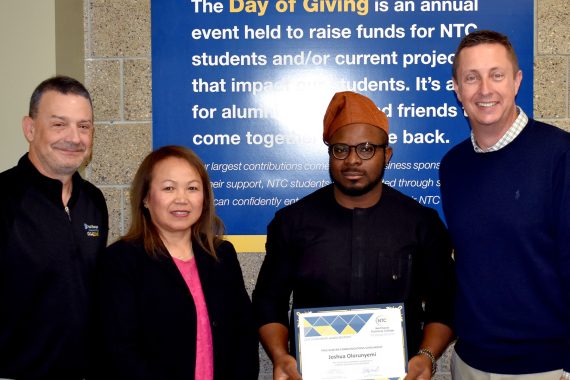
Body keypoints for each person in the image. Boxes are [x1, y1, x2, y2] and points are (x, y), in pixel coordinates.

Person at [253, 91, 456, 380]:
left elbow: (445, 304)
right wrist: (280, 356)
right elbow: (268, 302)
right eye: (340, 149)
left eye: (366, 149)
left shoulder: (420, 223)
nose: (352, 160)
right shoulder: (292, 222)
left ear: (387, 154)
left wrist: (426, 357)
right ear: (329, 154)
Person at [440, 30, 570, 379]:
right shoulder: (452, 165)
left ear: (516, 81)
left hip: (547, 368)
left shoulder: (561, 155)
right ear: (457, 88)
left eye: (497, 75)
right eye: (472, 77)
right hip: (469, 363)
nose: (485, 89)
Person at [95, 145, 259, 380]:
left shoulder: (222, 255)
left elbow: (244, 338)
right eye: (169, 188)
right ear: (145, 198)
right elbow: (120, 354)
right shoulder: (120, 262)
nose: (182, 199)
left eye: (192, 188)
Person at [0, 76, 109, 379]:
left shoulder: (93, 202)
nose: (74, 137)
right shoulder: (5, 198)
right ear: (30, 128)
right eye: (59, 124)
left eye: (84, 126)